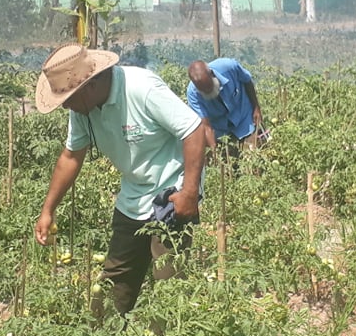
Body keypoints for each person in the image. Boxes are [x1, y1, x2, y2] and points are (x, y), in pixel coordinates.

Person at [34, 43, 206, 315]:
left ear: (88, 86)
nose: (66, 105)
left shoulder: (141, 89)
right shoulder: (83, 110)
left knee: (169, 283)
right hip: (133, 196)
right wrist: (48, 210)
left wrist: (189, 193)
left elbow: (194, 130)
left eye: (68, 98)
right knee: (115, 281)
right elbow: (70, 157)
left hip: (170, 195)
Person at [186, 58, 263, 153]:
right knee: (229, 160)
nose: (209, 93)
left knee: (254, 152)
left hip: (244, 118)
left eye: (210, 88)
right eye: (204, 92)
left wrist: (256, 108)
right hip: (221, 130)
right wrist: (214, 149)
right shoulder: (193, 95)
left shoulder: (229, 67)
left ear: (212, 74)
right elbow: (206, 126)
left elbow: (247, 81)